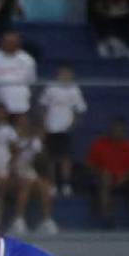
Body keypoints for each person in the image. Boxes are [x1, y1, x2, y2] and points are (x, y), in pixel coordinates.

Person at [86, 118, 129, 226]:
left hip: (126, 180)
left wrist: (125, 177)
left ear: (124, 131)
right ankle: (107, 219)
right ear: (109, 130)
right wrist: (101, 172)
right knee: (105, 180)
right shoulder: (98, 144)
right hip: (104, 178)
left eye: (120, 130)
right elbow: (89, 165)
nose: (116, 132)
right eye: (114, 129)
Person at [38, 65, 87, 196]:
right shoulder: (50, 88)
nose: (65, 76)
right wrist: (44, 125)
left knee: (65, 158)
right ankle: (52, 184)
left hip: (66, 130)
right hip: (51, 128)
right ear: (58, 74)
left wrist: (72, 125)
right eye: (62, 73)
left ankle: (66, 184)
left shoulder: (75, 90)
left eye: (68, 74)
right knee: (51, 158)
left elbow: (80, 110)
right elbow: (42, 106)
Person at [0, 31, 37, 117]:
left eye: (14, 42)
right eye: (8, 42)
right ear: (2, 42)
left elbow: (31, 83)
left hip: (21, 106)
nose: (11, 45)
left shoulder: (27, 60)